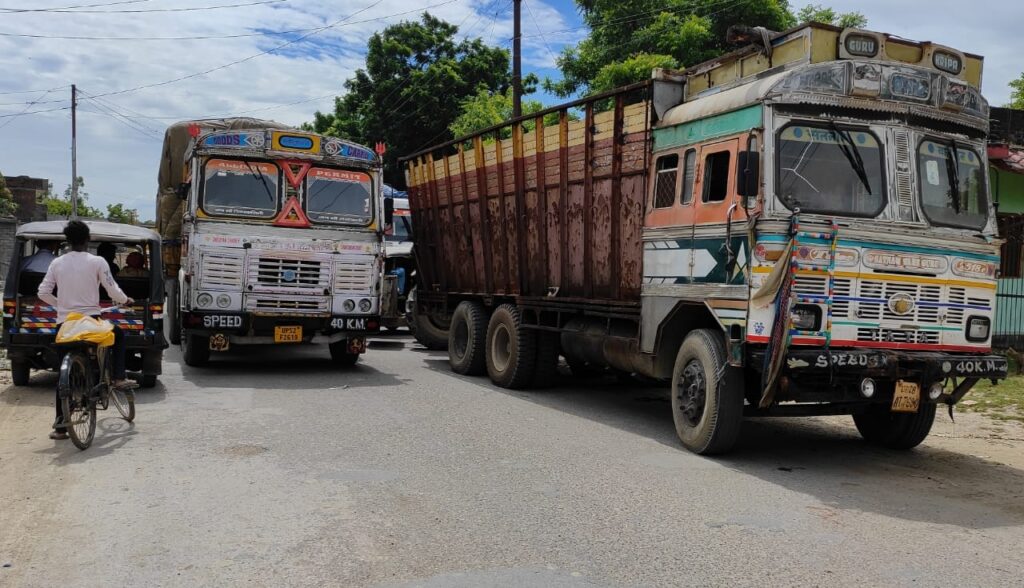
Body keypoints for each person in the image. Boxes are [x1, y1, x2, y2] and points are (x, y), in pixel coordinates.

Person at [39, 221, 134, 441]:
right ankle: (118, 378)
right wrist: (125, 300)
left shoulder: (57, 263)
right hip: (90, 321)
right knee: (118, 335)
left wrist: (60, 305)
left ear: (68, 240)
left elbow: (43, 292)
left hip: (65, 324)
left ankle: (60, 427)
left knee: (64, 371)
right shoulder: (97, 261)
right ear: (87, 239)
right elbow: (112, 289)